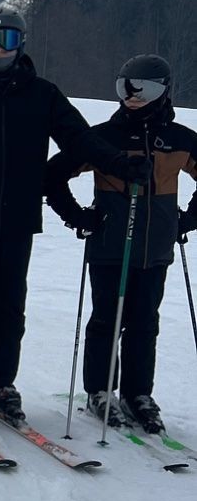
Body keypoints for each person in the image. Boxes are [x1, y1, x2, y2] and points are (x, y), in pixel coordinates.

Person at [0, 9, 148, 425]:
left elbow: (79, 139)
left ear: (21, 44)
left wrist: (118, 163)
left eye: (7, 39)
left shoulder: (43, 95)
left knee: (10, 306)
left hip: (20, 221)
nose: (0, 49)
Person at [44, 55, 197, 434]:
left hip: (156, 248)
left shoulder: (179, 139)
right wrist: (78, 216)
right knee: (106, 320)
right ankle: (100, 390)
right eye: (124, 88)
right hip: (111, 242)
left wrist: (188, 219)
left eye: (142, 89)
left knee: (145, 322)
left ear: (163, 91)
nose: (131, 97)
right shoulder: (102, 138)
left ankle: (138, 394)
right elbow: (51, 174)